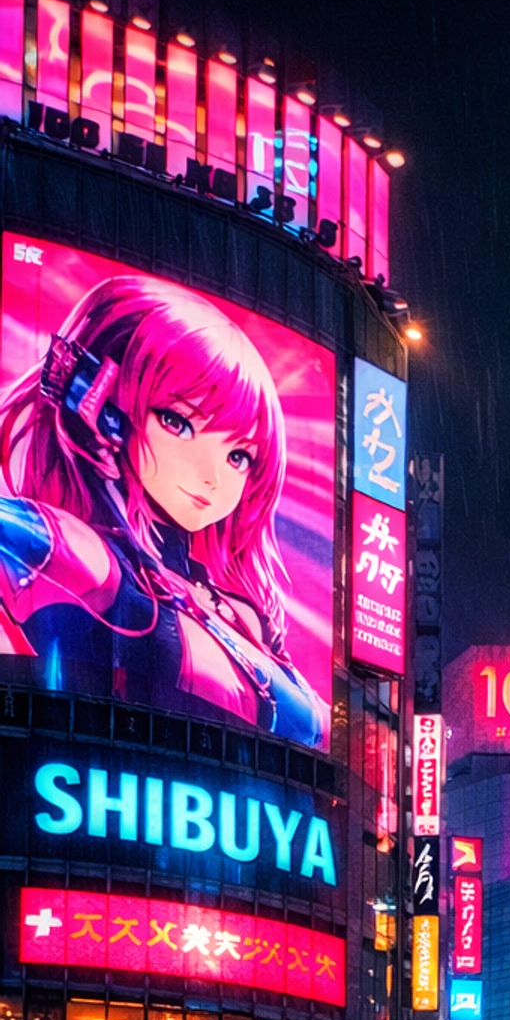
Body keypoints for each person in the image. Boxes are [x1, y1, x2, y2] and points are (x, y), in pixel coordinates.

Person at [0, 272, 326, 742]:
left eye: (239, 456)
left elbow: (323, 733)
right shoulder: (81, 553)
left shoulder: (243, 614)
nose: (213, 476)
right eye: (178, 422)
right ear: (100, 403)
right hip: (91, 774)